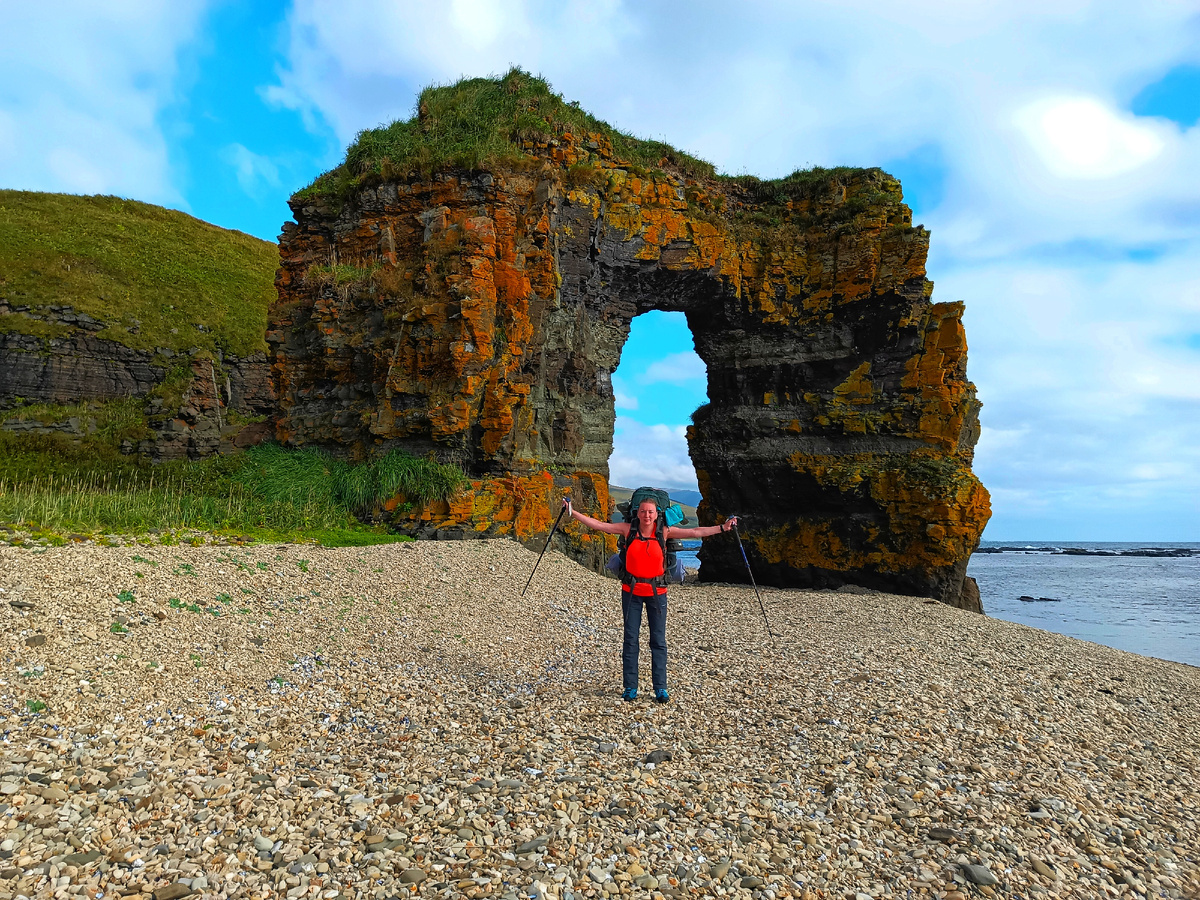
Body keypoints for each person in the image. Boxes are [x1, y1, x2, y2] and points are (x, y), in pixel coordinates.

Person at [563, 496, 738, 703]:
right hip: (631, 592)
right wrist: (572, 512)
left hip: (657, 593)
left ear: (656, 515)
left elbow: (695, 532)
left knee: (658, 641)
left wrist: (723, 528)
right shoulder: (627, 529)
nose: (647, 515)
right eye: (643, 511)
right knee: (630, 640)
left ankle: (660, 688)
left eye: (650, 512)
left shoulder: (664, 531)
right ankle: (630, 687)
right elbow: (600, 525)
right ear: (637, 513)